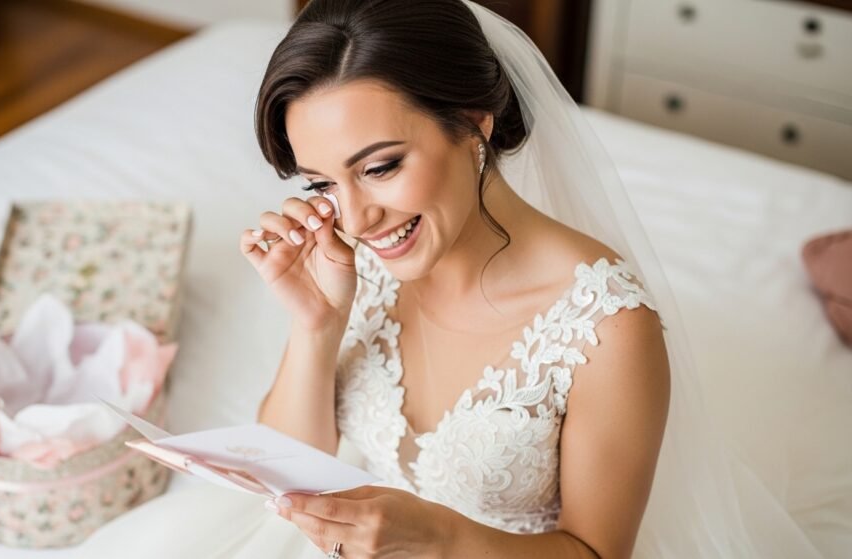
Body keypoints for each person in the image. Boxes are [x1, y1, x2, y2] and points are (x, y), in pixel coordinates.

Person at [78, 1, 827, 557]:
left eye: (380, 166)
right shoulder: (356, 260)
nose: (358, 217)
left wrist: (440, 537)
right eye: (322, 184)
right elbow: (285, 460)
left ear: (475, 124)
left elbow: (596, 553)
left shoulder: (607, 328)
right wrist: (316, 323)